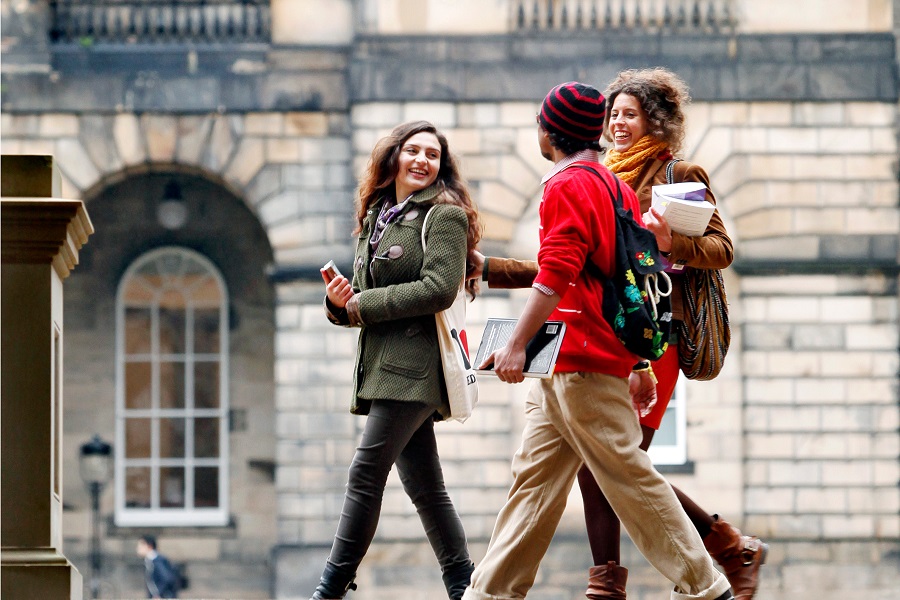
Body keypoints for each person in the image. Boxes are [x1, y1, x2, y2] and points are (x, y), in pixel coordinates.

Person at [461, 81, 733, 600]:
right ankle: (489, 594)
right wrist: (639, 363)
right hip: (569, 360)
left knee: (628, 477)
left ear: (549, 131)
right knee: (533, 484)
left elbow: (558, 272)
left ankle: (707, 588)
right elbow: (619, 277)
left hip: (582, 357)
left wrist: (518, 342)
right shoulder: (613, 186)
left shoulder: (568, 184)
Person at [313, 120, 481, 599]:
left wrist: (362, 305)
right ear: (394, 158)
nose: (422, 160)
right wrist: (339, 303)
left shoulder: (444, 215)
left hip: (415, 367)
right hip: (384, 365)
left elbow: (438, 289)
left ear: (440, 166)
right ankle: (463, 585)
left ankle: (330, 588)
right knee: (426, 486)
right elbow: (362, 298)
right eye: (413, 151)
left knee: (366, 473)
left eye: (432, 154)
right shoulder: (380, 216)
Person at [136, 535, 179, 599]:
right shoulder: (150, 561)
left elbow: (166, 578)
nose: (137, 549)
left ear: (149, 546)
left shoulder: (156, 560)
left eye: (140, 546)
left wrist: (158, 594)